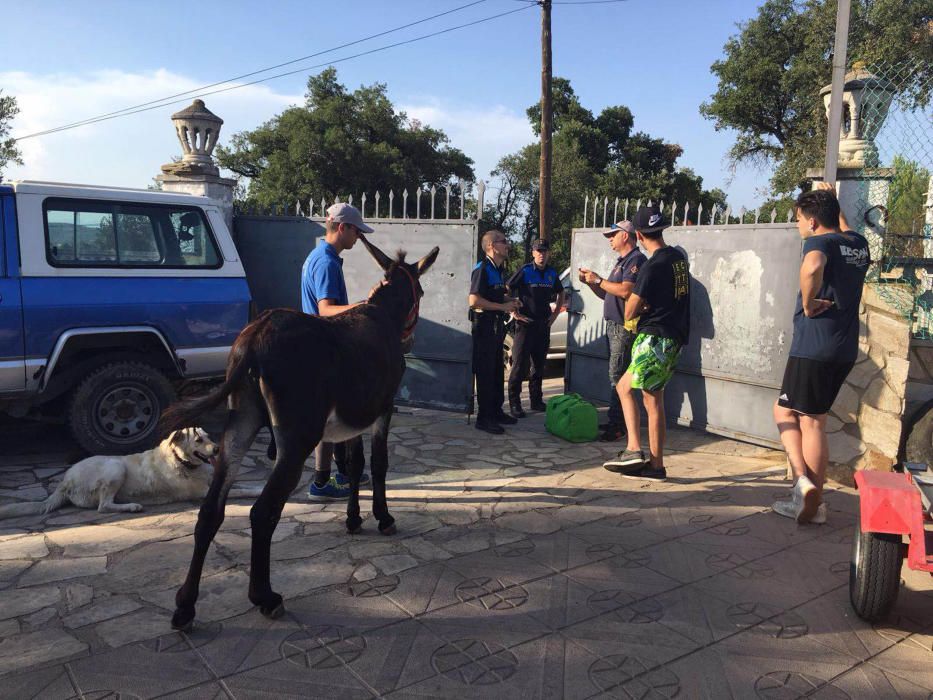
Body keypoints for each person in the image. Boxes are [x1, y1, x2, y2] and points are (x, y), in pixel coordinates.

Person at [772, 183, 867, 524]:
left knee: (793, 417)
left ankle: (804, 488)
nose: (799, 225)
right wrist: (834, 201)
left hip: (814, 345)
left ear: (812, 221)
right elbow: (845, 227)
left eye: (799, 219)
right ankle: (814, 498)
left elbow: (812, 266)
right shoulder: (857, 244)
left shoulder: (817, 243)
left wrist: (810, 304)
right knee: (815, 419)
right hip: (843, 348)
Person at [602, 205, 690, 481]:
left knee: (635, 394)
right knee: (645, 397)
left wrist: (640, 306)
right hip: (673, 337)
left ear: (638, 235)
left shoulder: (652, 266)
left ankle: (640, 454)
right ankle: (651, 462)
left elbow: (630, 310)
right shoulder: (677, 258)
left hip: (654, 337)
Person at [302, 202, 374, 501]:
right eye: (356, 230)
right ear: (342, 227)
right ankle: (322, 482)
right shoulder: (327, 262)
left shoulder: (320, 256)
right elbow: (326, 309)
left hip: (320, 346)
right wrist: (363, 306)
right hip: (324, 349)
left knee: (333, 416)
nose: (358, 237)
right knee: (335, 417)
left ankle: (345, 472)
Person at [578, 220, 646, 442]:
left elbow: (626, 291)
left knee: (618, 376)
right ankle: (617, 420)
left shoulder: (636, 260)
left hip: (624, 327)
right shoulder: (622, 262)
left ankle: (618, 425)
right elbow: (609, 294)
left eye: (613, 235)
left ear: (625, 236)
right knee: (616, 375)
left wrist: (599, 279)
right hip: (614, 326)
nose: (610, 239)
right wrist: (592, 283)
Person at [469, 230, 521, 434]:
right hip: (484, 327)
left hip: (496, 327)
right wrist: (502, 308)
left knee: (497, 371)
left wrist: (511, 301)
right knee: (485, 372)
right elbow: (474, 301)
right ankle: (484, 417)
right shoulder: (482, 269)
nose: (507, 245)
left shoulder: (498, 270)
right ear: (491, 245)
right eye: (503, 242)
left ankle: (496, 411)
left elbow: (496, 296)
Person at [506, 239, 565, 417]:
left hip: (543, 325)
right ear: (532, 253)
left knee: (539, 366)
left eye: (544, 251)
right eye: (538, 251)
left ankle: (536, 401)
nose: (541, 254)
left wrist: (554, 316)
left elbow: (561, 292)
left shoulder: (551, 273)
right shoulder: (525, 271)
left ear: (548, 253)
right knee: (519, 366)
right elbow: (508, 288)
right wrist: (513, 310)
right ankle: (515, 404)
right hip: (525, 324)